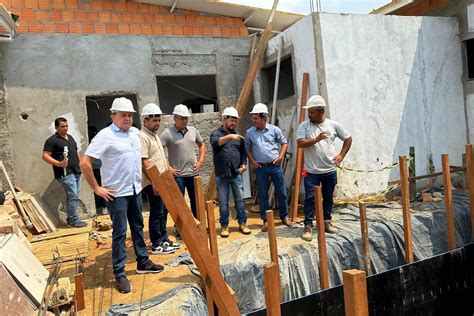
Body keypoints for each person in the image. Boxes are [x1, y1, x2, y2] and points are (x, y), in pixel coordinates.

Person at [80, 97, 163, 294]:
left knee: (137, 226)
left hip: (135, 190)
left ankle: (143, 262)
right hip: (116, 194)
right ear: (113, 116)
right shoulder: (105, 135)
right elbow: (85, 162)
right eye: (123, 115)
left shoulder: (135, 133)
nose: (127, 118)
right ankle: (120, 273)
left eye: (129, 115)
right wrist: (97, 188)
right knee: (119, 233)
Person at [297, 95, 352, 241]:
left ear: (321, 112)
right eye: (309, 111)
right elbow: (300, 143)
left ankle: (326, 221)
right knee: (310, 198)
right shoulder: (304, 126)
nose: (309, 114)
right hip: (312, 171)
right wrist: (316, 139)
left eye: (312, 112)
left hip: (329, 170)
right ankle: (308, 225)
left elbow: (348, 138)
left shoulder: (333, 125)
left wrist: (341, 156)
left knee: (328, 196)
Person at [245, 103, 293, 232]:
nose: (253, 120)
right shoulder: (250, 132)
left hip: (274, 166)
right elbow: (247, 149)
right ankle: (266, 221)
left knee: (282, 192)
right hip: (260, 168)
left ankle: (284, 216)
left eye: (255, 118)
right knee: (263, 195)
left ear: (263, 118)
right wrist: (253, 161)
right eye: (253, 118)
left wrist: (281, 157)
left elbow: (284, 143)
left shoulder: (274, 130)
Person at [140, 103, 180, 253]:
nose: (157, 123)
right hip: (153, 183)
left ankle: (164, 239)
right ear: (146, 121)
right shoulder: (143, 136)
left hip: (162, 180)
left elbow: (159, 158)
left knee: (163, 210)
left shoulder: (154, 135)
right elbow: (144, 162)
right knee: (156, 212)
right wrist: (154, 182)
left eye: (158, 120)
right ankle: (157, 243)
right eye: (154, 120)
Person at [210, 107, 250, 238]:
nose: (233, 123)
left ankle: (243, 223)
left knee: (240, 201)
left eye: (235, 121)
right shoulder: (216, 134)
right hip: (221, 175)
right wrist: (230, 137)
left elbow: (244, 154)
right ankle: (224, 225)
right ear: (224, 119)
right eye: (231, 120)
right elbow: (216, 143)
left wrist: (243, 165)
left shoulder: (238, 137)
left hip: (236, 174)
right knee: (223, 203)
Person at [160, 104, 206, 219]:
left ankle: (198, 226)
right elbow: (158, 151)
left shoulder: (193, 131)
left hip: (193, 174)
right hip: (178, 176)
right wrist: (168, 167)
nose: (184, 121)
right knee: (179, 204)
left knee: (196, 201)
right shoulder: (167, 133)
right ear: (174, 118)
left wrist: (200, 161)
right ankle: (180, 230)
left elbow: (202, 144)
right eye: (181, 118)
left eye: (186, 118)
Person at [42, 117, 86, 228]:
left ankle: (72, 218)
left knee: (75, 195)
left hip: (76, 170)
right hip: (65, 172)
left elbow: (75, 152)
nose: (65, 128)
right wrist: (59, 164)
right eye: (62, 126)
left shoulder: (70, 137)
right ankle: (73, 220)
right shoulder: (52, 140)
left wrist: (81, 165)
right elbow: (45, 156)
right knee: (72, 195)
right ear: (56, 127)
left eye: (66, 126)